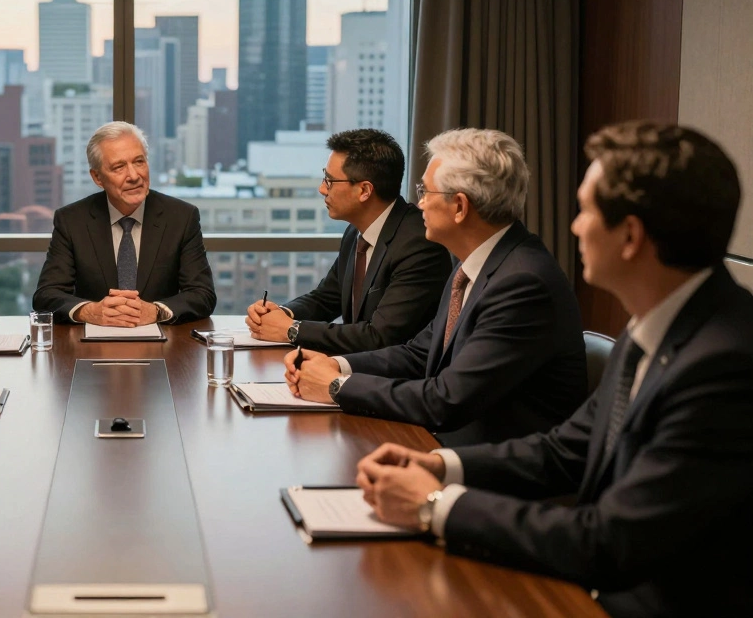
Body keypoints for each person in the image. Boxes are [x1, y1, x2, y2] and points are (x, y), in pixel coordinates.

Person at [355, 122, 753, 618]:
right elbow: (566, 450)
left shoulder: (725, 365)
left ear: (630, 235)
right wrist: (440, 467)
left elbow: (609, 543)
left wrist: (436, 503)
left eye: (586, 210)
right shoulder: (655, 323)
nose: (574, 226)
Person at [284, 128, 586, 446]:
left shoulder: (522, 283)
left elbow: (446, 400)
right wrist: (337, 364)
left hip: (488, 466)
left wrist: (337, 386)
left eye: (426, 192)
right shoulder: (476, 266)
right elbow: (419, 354)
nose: (419, 204)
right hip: (447, 441)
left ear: (459, 206)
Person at [246, 128, 450, 352]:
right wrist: (282, 314)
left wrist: (291, 329)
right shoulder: (356, 232)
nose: (322, 189)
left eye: (330, 181)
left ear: (364, 190)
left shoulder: (419, 244)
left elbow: (379, 336)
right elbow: (327, 297)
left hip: (397, 378)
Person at [33, 121, 216, 326]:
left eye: (139, 162)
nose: (134, 176)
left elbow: (203, 295)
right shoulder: (72, 221)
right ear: (97, 177)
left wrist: (156, 311)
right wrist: (89, 311)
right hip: (92, 347)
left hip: (163, 346)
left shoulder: (182, 217)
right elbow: (46, 295)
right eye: (119, 167)